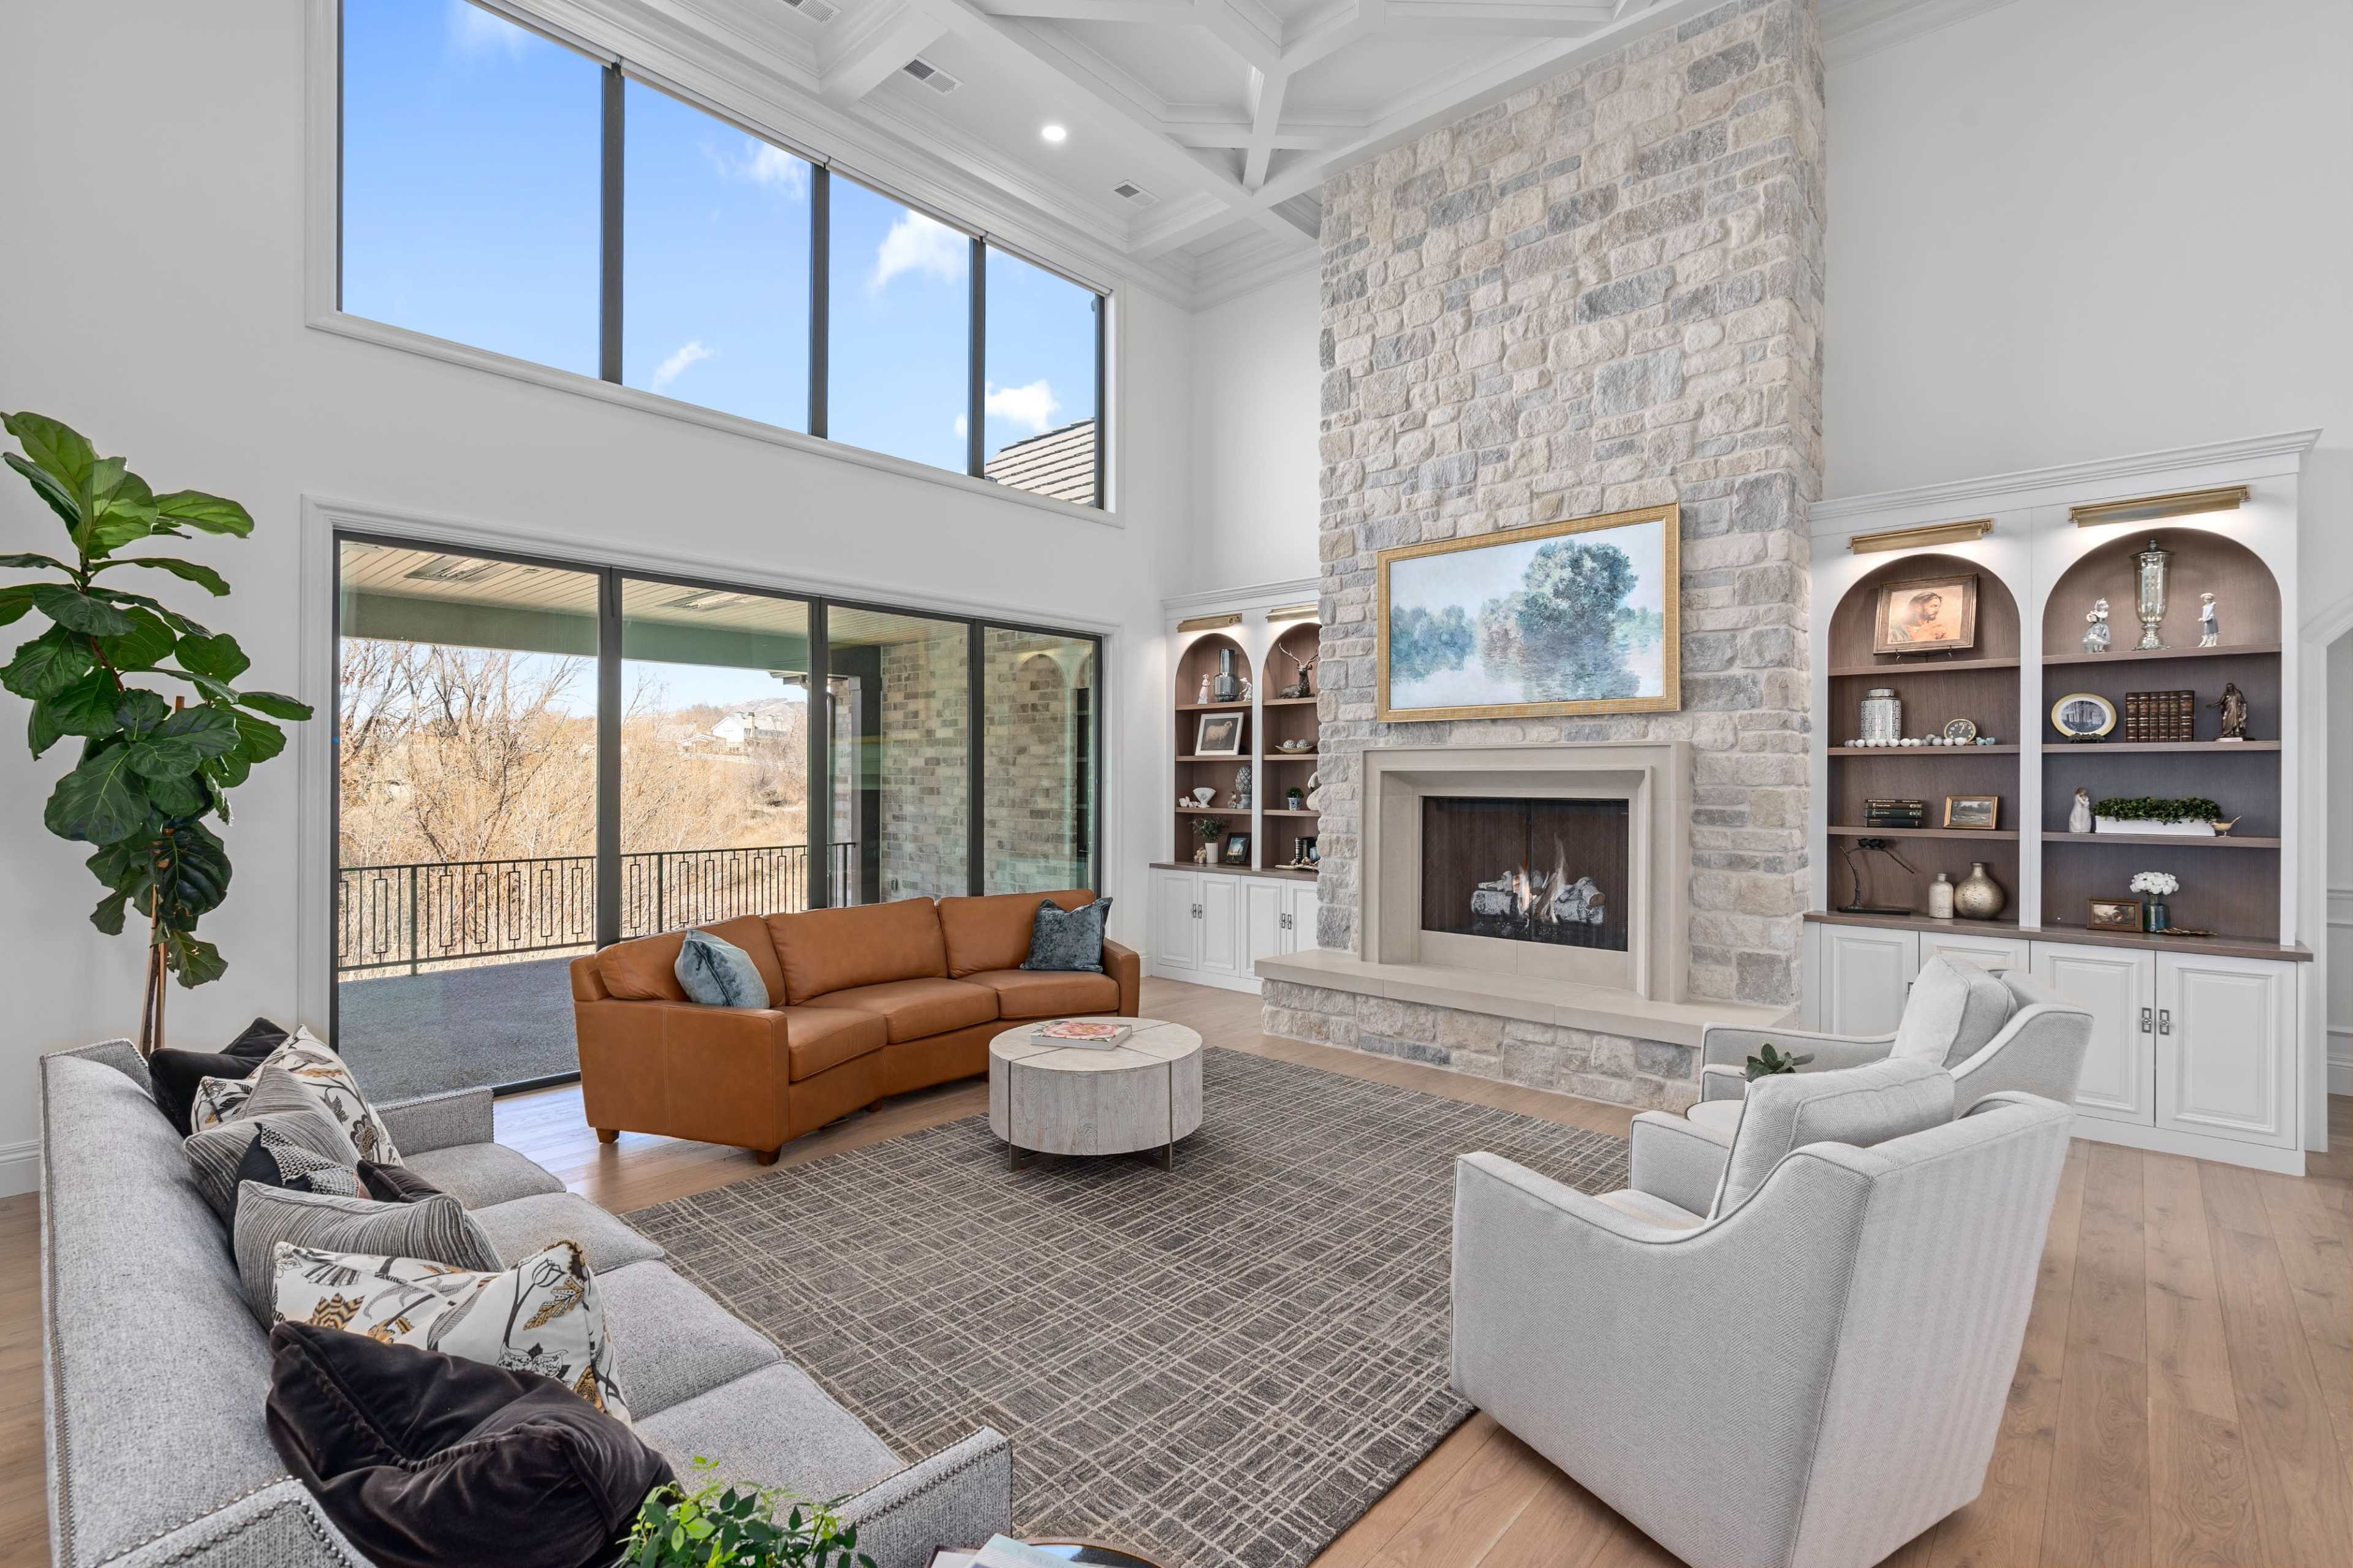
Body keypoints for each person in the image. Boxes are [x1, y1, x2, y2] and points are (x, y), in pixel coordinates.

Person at [1890, 588, 1957, 643]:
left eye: (1938, 607)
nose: (1937, 610)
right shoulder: (1897, 628)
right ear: (1918, 608)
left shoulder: (1940, 629)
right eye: (1933, 606)